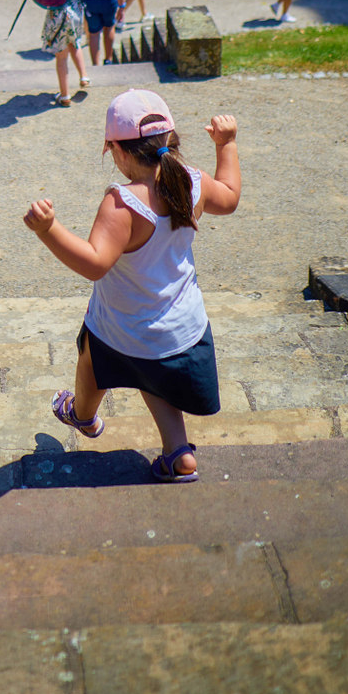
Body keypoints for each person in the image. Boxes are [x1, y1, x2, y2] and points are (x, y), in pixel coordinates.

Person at [23, 89, 241, 483]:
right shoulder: (192, 181)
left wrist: (49, 230)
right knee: (152, 371)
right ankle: (178, 453)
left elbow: (95, 264)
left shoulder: (122, 203)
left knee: (92, 354)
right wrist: (226, 146)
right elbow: (230, 198)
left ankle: (83, 416)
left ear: (114, 150)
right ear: (171, 140)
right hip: (182, 327)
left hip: (122, 328)